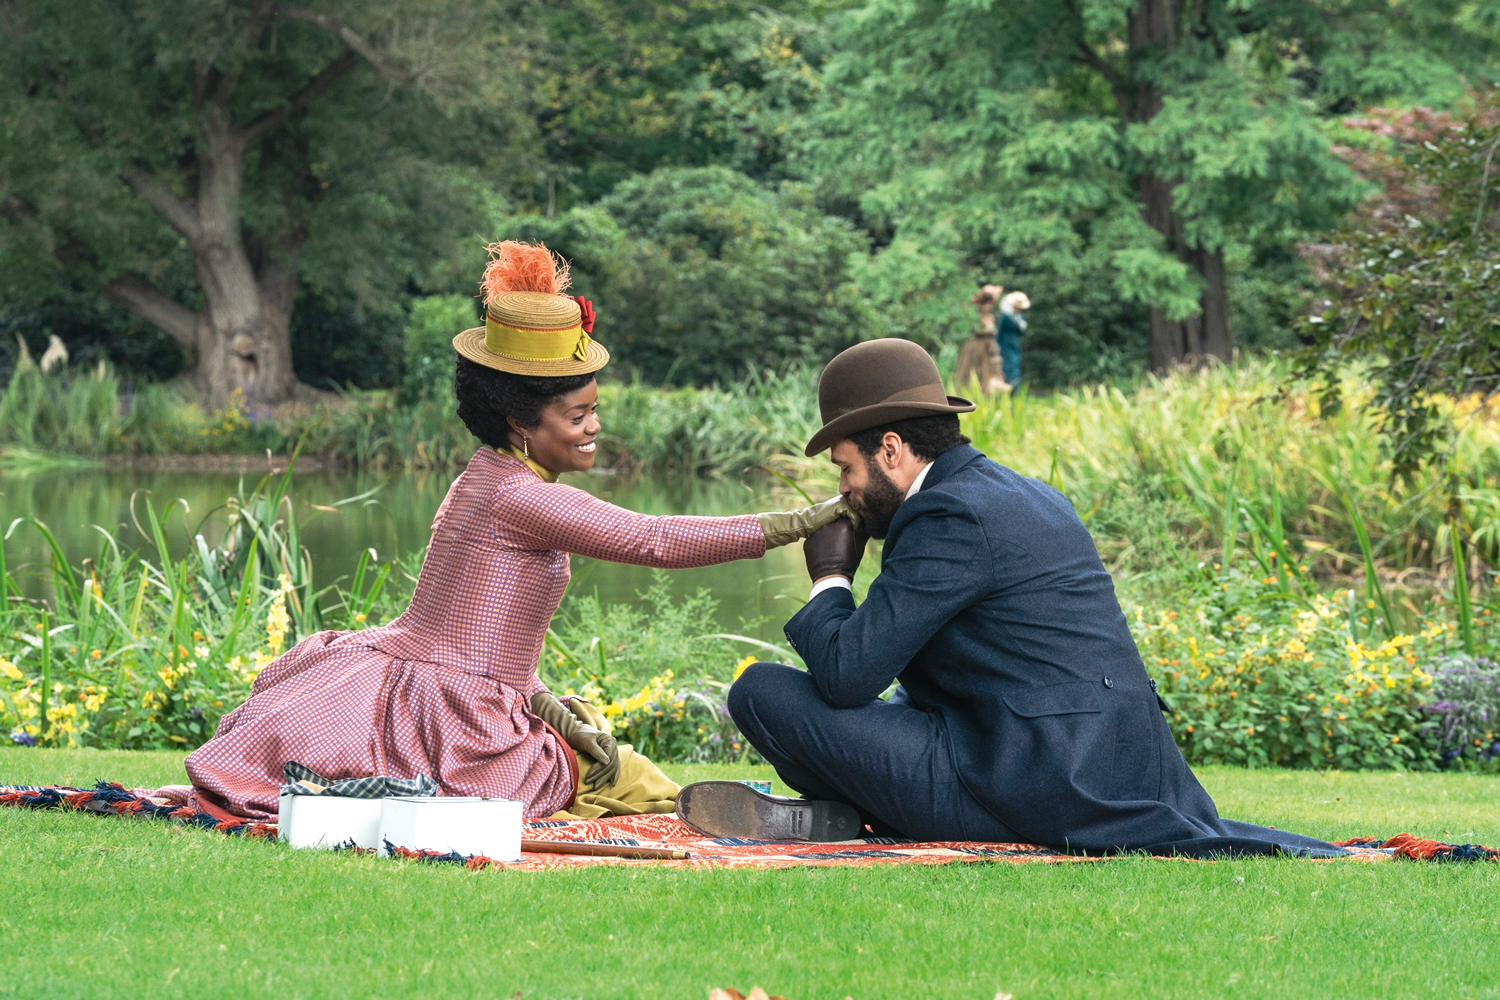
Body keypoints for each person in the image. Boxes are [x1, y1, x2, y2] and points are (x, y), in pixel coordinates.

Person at [182, 241, 854, 824]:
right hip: (452, 716)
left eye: (595, 410)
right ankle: (747, 815)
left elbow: (484, 631)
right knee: (627, 786)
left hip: (446, 692)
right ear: (521, 422)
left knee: (621, 776)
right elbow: (653, 539)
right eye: (578, 414)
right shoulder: (517, 496)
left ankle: (720, 805)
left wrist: (546, 706)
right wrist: (801, 520)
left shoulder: (489, 476)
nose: (594, 428)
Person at [678, 339, 1345, 858]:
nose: (846, 489)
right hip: (1109, 770)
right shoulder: (1015, 491)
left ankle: (853, 812)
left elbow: (849, 675)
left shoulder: (945, 517)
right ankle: (849, 813)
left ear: (891, 448)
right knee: (860, 705)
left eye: (847, 470)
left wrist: (829, 578)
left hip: (1039, 786)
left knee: (762, 693)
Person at [953, 284, 1008, 394]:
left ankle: (987, 393)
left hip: (988, 347)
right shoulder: (976, 316)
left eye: (990, 304)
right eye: (987, 304)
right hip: (976, 347)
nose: (989, 306)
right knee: (971, 371)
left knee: (989, 371)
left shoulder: (990, 316)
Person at [996, 290, 1029, 388]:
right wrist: (997, 345)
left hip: (1015, 345)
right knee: (1006, 367)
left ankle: (1015, 389)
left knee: (1015, 367)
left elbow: (1021, 333)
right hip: (1005, 345)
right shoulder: (1006, 315)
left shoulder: (1020, 316)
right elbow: (999, 331)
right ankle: (1006, 389)